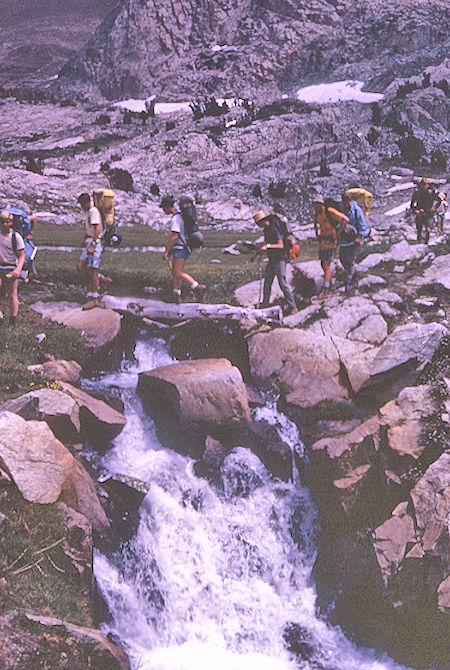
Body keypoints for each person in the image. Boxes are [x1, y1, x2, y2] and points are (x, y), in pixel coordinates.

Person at [160, 195, 206, 304]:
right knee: (175, 273)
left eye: (163, 208)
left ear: (167, 207)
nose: (163, 210)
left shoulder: (176, 218)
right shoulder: (180, 216)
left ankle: (197, 287)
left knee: (178, 272)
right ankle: (176, 295)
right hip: (183, 247)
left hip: (180, 247)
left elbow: (174, 236)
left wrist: (167, 251)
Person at [251, 210, 298, 315]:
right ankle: (265, 305)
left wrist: (267, 247)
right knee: (267, 282)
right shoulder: (267, 230)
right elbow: (268, 243)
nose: (258, 225)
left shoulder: (273, 228)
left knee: (282, 282)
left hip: (280, 258)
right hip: (273, 258)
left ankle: (293, 307)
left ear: (262, 221)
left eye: (258, 223)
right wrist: (257, 254)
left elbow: (280, 245)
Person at [312, 194, 348, 300]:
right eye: (314, 205)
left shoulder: (330, 211)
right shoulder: (317, 214)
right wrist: (317, 234)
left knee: (326, 264)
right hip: (323, 242)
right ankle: (332, 287)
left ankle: (325, 290)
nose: (314, 207)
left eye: (316, 204)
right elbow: (315, 224)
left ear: (320, 203)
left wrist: (337, 234)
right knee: (323, 264)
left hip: (331, 241)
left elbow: (345, 219)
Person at [76, 192, 104, 310]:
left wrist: (93, 243)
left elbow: (98, 228)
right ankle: (99, 280)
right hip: (90, 241)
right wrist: (85, 237)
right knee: (80, 266)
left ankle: (94, 299)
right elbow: (91, 228)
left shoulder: (93, 211)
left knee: (93, 269)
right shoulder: (88, 212)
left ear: (85, 203)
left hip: (95, 243)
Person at [339, 191, 371, 294]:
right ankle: (354, 276)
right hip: (344, 240)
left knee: (349, 261)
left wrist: (360, 236)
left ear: (350, 200)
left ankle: (349, 286)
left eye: (347, 201)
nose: (345, 204)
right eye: (344, 202)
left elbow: (364, 226)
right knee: (342, 259)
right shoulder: (341, 210)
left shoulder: (357, 211)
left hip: (355, 240)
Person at [0, 211, 25, 329]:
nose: (6, 224)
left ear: (11, 223)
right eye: (3, 222)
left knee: (12, 293)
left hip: (11, 266)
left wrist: (18, 269)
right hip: (0, 265)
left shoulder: (16, 237)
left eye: (8, 222)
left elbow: (22, 255)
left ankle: (12, 319)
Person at [410, 178, 439, 243]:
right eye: (422, 184)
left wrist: (434, 207)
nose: (423, 186)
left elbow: (439, 200)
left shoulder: (431, 192)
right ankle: (419, 240)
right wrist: (415, 210)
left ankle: (426, 242)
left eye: (425, 184)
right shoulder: (417, 193)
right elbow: (412, 203)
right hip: (420, 212)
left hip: (429, 212)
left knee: (428, 228)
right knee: (419, 228)